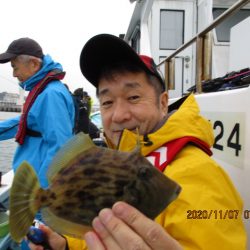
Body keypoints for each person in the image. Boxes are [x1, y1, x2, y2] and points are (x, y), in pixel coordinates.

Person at [28, 34, 247, 250]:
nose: (118, 115)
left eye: (133, 97)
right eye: (107, 102)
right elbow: (104, 232)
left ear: (163, 103)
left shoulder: (199, 178)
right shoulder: (125, 161)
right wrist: (66, 245)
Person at [0, 37, 75, 188]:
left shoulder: (50, 95)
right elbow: (25, 122)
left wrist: (39, 195)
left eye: (15, 67)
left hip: (39, 191)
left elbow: (60, 147)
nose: (14, 74)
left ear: (34, 64)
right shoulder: (44, 90)